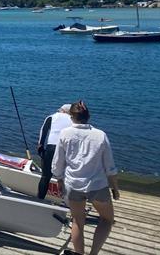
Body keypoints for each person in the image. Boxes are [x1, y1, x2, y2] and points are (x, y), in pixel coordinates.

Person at [52, 101, 119, 255]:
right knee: (107, 219)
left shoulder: (65, 134)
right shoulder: (100, 135)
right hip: (97, 185)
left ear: (71, 117)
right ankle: (93, 253)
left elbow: (57, 164)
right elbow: (110, 167)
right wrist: (115, 188)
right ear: (88, 116)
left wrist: (59, 180)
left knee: (78, 222)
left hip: (73, 184)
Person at [36, 103, 72, 199]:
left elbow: (43, 131)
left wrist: (40, 147)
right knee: (66, 177)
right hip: (66, 149)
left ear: (62, 110)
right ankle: (67, 201)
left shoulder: (51, 117)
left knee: (45, 176)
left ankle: (40, 199)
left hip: (51, 147)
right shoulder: (73, 120)